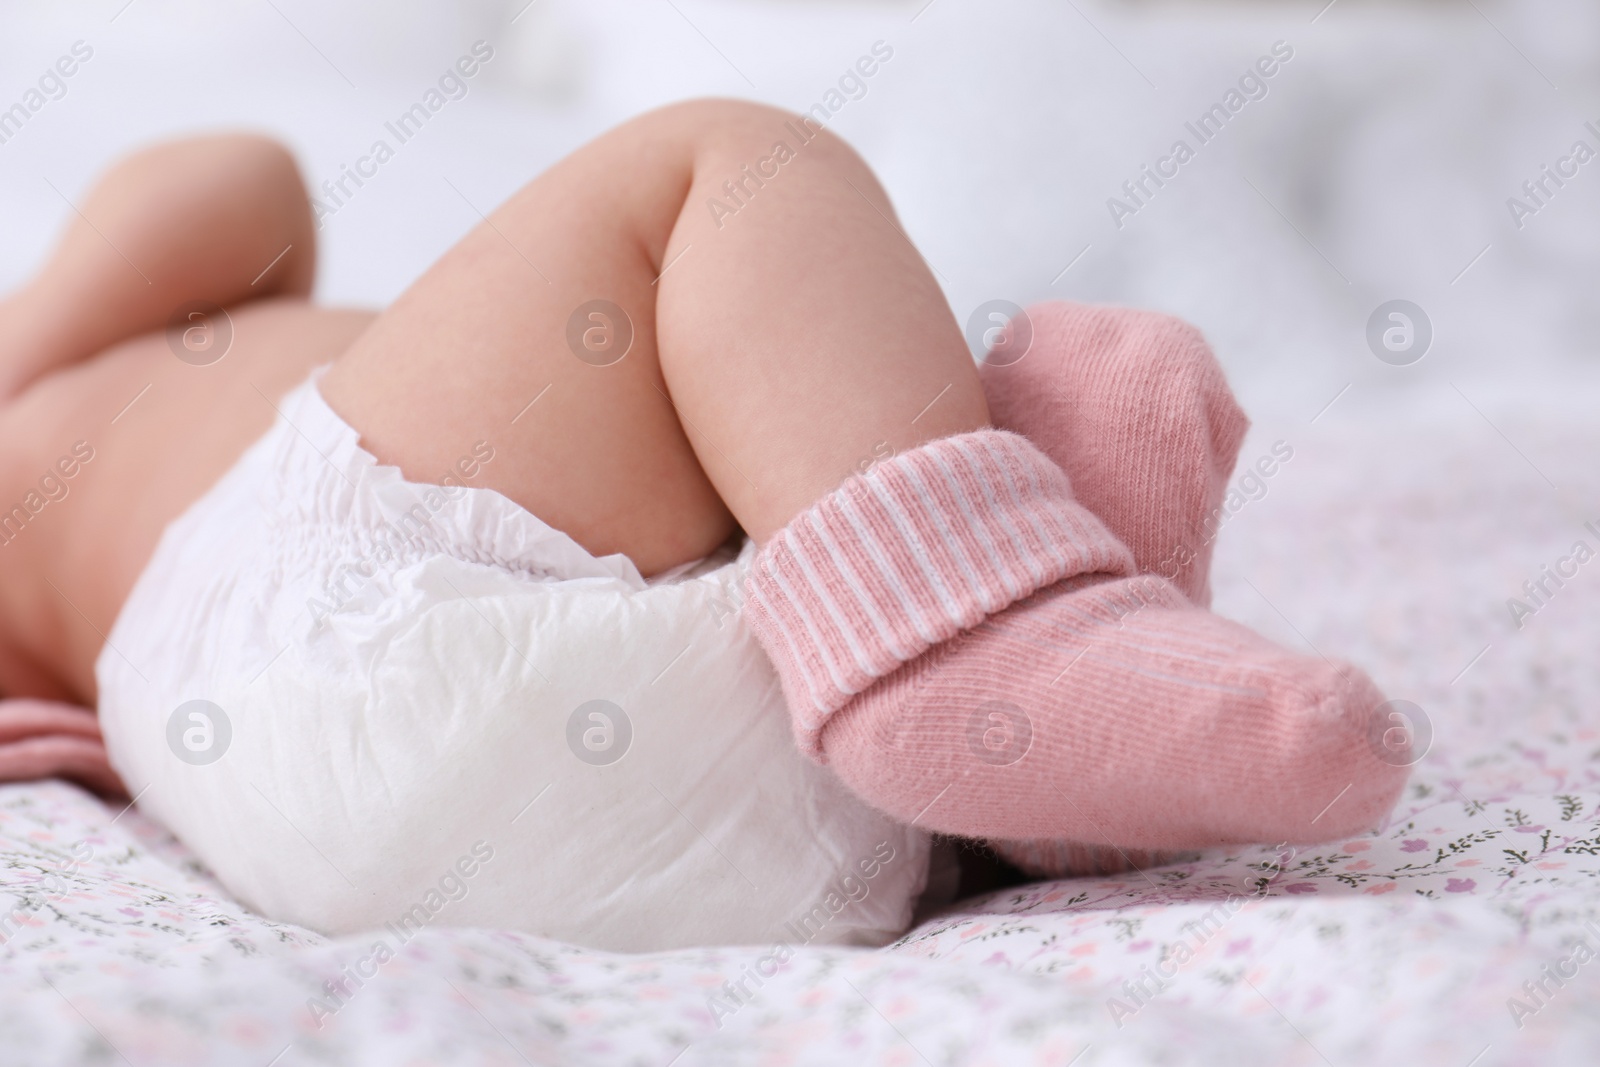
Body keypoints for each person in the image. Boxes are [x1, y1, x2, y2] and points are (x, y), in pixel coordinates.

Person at [0, 99, 1405, 880]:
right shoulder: (58, 391)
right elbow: (232, 180)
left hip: (506, 820)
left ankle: (1015, 762)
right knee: (731, 174)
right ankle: (973, 635)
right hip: (335, 618)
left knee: (947, 416)